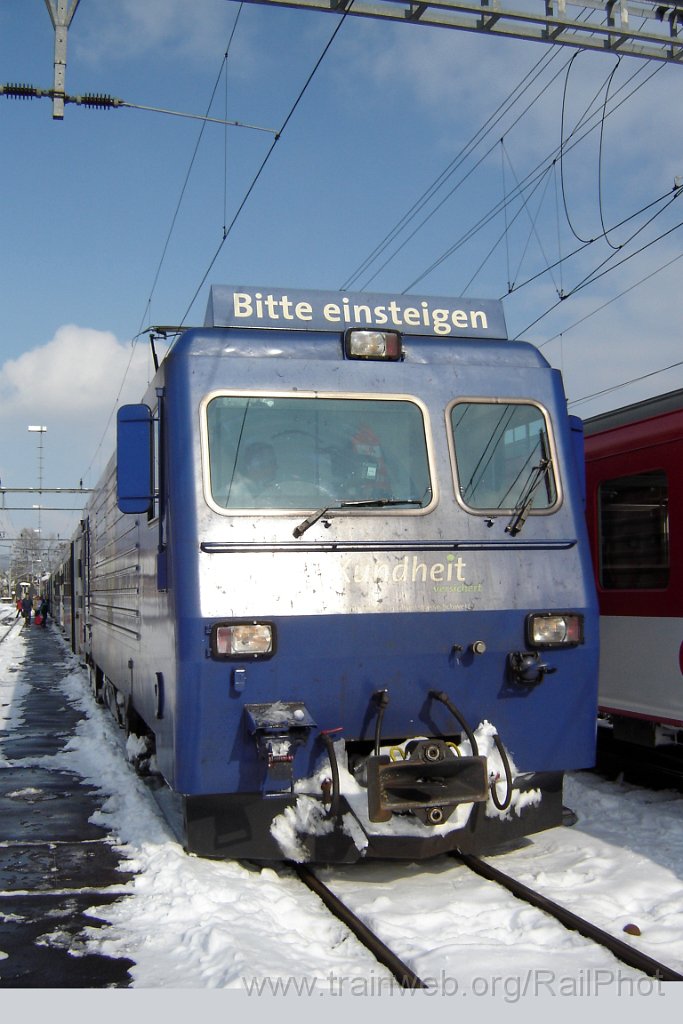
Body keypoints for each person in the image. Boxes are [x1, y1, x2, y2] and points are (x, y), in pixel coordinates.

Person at [222, 442, 278, 506]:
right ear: (256, 465)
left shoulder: (271, 489)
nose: (276, 467)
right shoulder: (233, 492)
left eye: (274, 462)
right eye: (272, 462)